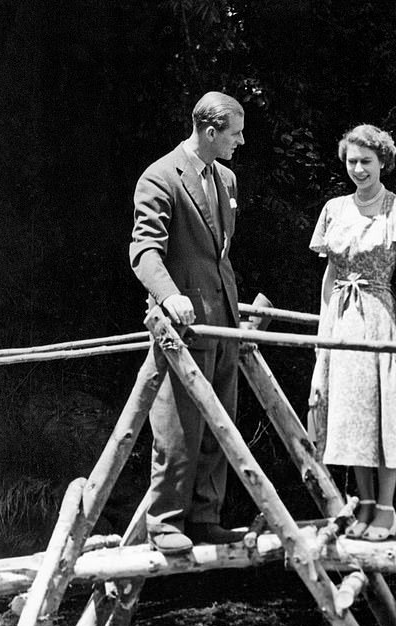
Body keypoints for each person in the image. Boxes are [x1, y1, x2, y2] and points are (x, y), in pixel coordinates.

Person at [129, 91, 245, 553]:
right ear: (210, 131)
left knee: (221, 424)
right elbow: (143, 251)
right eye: (235, 133)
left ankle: (205, 515)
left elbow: (219, 253)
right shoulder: (160, 177)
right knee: (178, 427)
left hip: (224, 319)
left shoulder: (229, 179)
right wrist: (170, 296)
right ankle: (165, 521)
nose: (241, 141)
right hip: (182, 323)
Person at [308, 123, 396, 540]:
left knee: (384, 413)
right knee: (351, 414)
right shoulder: (334, 209)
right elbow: (329, 276)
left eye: (367, 161)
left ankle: (386, 509)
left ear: (383, 162)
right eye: (352, 162)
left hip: (380, 317)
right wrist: (324, 334)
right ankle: (361, 504)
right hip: (342, 321)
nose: (359, 169)